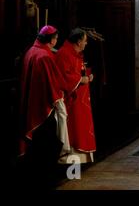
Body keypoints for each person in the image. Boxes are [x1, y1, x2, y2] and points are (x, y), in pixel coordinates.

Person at [18, 25, 69, 188]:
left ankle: (35, 177)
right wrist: (57, 98)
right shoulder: (44, 56)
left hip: (31, 104)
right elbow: (51, 84)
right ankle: (46, 178)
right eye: (55, 38)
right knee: (49, 144)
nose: (56, 41)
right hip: (42, 108)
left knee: (37, 145)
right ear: (50, 39)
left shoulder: (31, 51)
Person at [55, 28, 96, 163]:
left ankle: (80, 161)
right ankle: (72, 165)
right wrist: (81, 79)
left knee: (81, 128)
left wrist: (87, 76)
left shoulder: (75, 53)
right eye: (85, 41)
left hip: (81, 99)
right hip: (70, 100)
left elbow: (77, 70)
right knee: (74, 130)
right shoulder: (64, 53)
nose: (86, 43)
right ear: (78, 41)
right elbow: (64, 76)